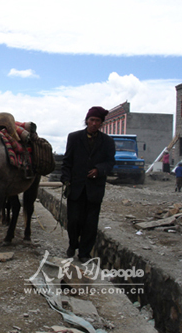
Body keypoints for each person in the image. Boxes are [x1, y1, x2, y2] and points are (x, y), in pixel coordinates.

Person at [60, 106, 116, 262]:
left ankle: (84, 253)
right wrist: (66, 178)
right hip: (76, 187)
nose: (94, 123)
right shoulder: (74, 137)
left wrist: (99, 169)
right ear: (87, 121)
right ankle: (73, 244)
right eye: (91, 120)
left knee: (90, 223)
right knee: (73, 220)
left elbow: (110, 162)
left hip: (95, 189)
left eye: (97, 121)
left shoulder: (108, 142)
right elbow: (67, 161)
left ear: (101, 123)